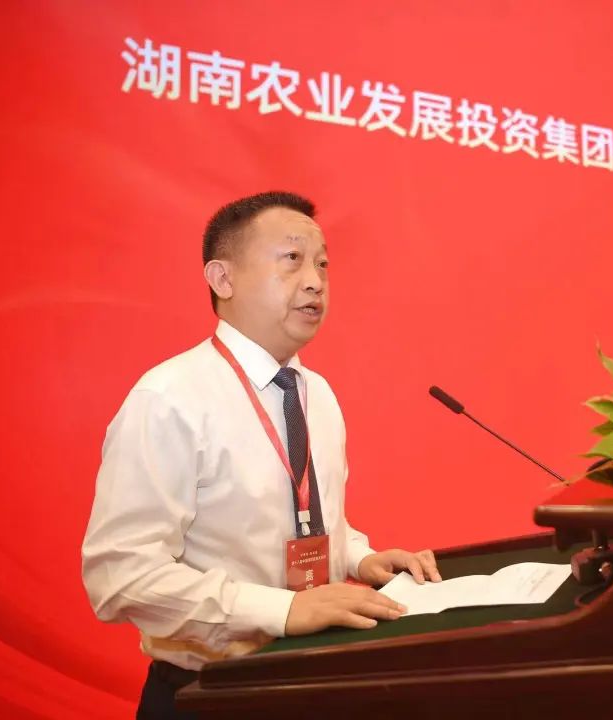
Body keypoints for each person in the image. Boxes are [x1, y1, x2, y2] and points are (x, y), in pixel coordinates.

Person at [81, 191, 442, 720]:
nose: (315, 281)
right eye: (292, 258)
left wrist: (359, 558)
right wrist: (283, 609)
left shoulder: (315, 392)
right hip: (211, 695)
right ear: (222, 279)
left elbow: (304, 522)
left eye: (323, 264)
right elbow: (120, 577)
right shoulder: (169, 399)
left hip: (316, 683)